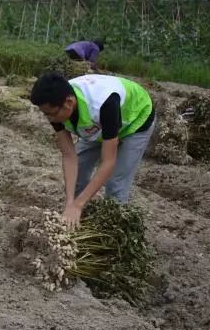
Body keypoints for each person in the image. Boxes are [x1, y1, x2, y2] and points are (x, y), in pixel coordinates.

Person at [30, 72, 155, 229]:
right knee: (80, 167)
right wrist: (71, 203)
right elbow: (69, 155)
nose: (49, 119)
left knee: (116, 183)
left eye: (51, 114)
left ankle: (113, 231)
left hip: (136, 119)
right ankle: (79, 217)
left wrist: (78, 204)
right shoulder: (56, 106)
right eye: (45, 114)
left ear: (68, 102)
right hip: (100, 126)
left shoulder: (103, 104)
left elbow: (108, 162)